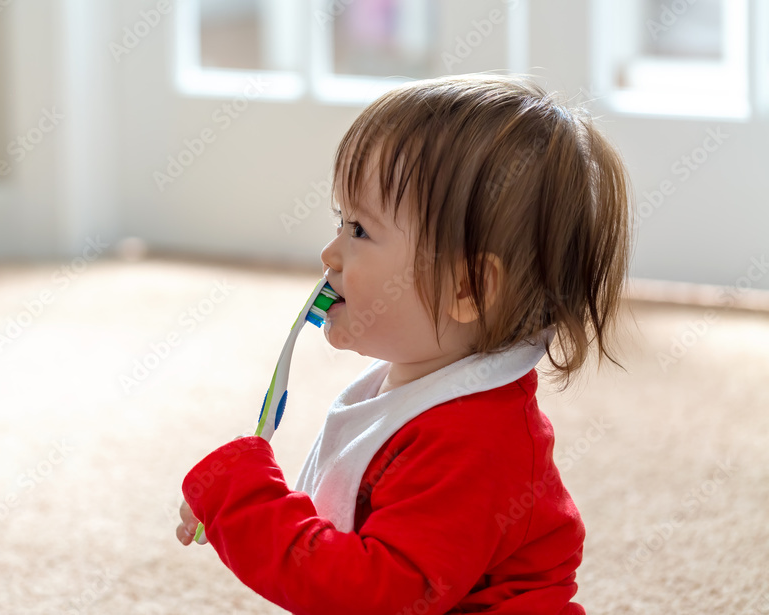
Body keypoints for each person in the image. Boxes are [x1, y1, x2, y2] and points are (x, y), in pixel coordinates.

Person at [176, 74, 634, 614]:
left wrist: (241, 499)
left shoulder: (477, 444)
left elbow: (366, 596)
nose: (330, 253)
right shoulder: (415, 389)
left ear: (467, 289)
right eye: (341, 222)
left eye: (361, 232)